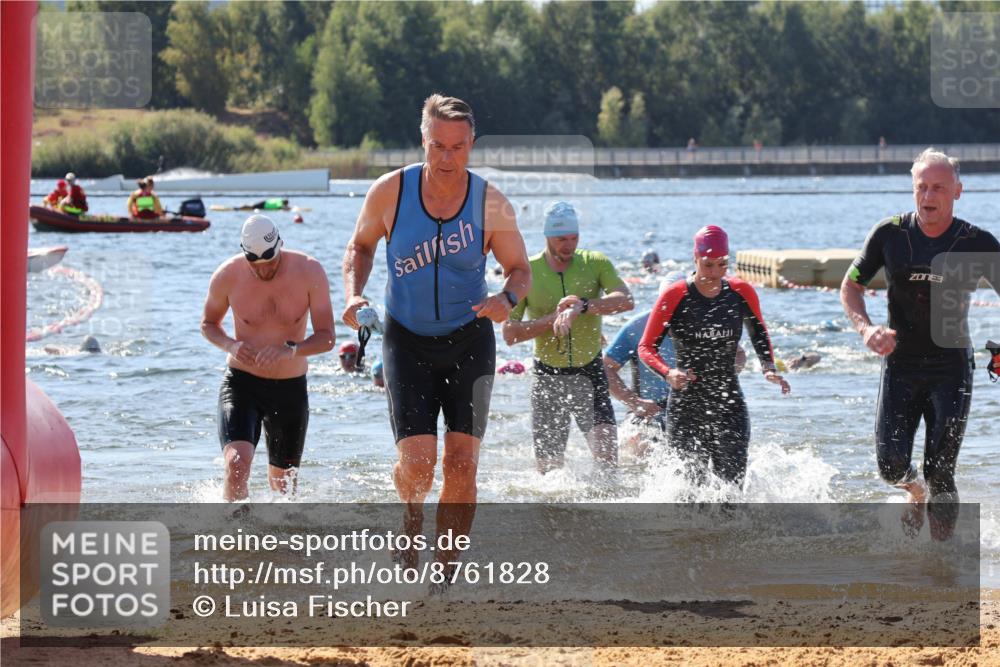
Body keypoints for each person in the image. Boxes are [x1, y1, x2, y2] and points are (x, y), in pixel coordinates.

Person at [341, 94, 530, 572]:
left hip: (470, 339)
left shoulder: (491, 203)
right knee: (419, 466)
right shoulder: (390, 192)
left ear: (472, 145)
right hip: (406, 341)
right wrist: (354, 295)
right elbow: (360, 246)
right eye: (438, 146)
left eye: (458, 147)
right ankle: (409, 519)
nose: (448, 158)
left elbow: (520, 270)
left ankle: (445, 574)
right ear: (423, 141)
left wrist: (507, 300)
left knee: (462, 465)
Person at [840, 148, 1000, 539]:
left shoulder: (976, 242)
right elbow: (851, 286)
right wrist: (866, 329)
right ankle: (915, 494)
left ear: (958, 191)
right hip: (901, 366)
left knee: (941, 470)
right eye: (921, 188)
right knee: (891, 466)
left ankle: (940, 562)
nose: (928, 197)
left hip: (951, 369)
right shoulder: (890, 234)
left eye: (938, 188)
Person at [639, 225, 790, 487]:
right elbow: (646, 347)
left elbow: (759, 332)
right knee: (689, 492)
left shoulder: (741, 292)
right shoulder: (675, 295)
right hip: (687, 405)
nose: (715, 273)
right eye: (708, 265)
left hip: (729, 402)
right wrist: (668, 373)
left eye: (722, 265)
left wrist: (768, 367)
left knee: (732, 491)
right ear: (695, 258)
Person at [201, 215, 335, 501]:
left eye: (270, 262)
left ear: (280, 245)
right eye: (256, 265)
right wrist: (231, 345)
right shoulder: (227, 275)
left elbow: (327, 337)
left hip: (289, 389)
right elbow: (208, 324)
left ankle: (276, 544)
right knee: (236, 466)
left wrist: (292, 350)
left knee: (283, 490)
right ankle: (234, 538)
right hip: (241, 384)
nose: (264, 271)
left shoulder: (310, 271)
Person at [502, 201, 634, 475]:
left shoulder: (595, 263)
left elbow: (626, 300)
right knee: (549, 475)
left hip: (591, 373)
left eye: (574, 238)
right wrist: (552, 320)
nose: (569, 245)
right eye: (562, 238)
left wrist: (583, 307)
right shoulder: (527, 271)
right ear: (547, 236)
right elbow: (509, 333)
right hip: (548, 379)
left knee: (609, 466)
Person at [605, 271, 747, 458]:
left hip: (695, 410)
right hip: (649, 415)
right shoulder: (637, 328)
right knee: (639, 445)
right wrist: (634, 402)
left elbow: (739, 355)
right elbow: (605, 368)